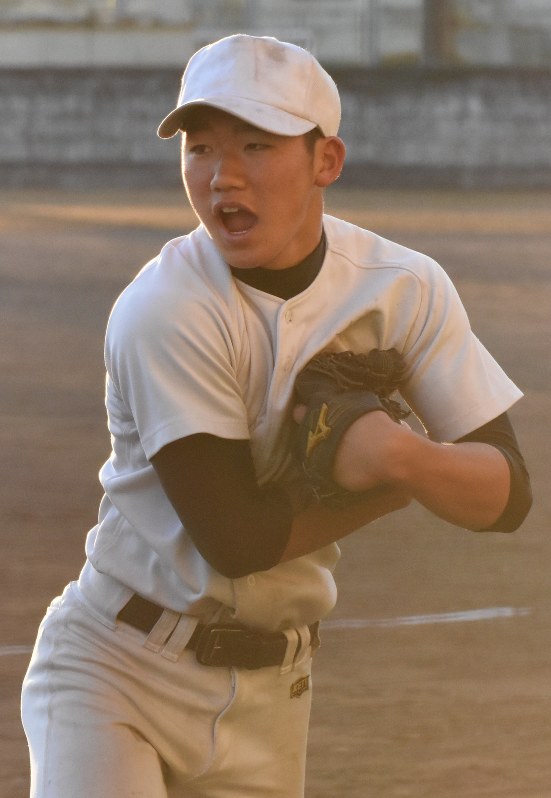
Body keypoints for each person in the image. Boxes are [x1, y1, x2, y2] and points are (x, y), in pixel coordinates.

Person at [21, 33, 532, 798]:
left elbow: (505, 497)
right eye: (200, 148)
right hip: (116, 673)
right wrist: (391, 482)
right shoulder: (166, 308)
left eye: (255, 144)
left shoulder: (403, 288)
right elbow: (237, 537)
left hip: (274, 699)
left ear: (325, 161)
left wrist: (394, 456)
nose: (222, 176)